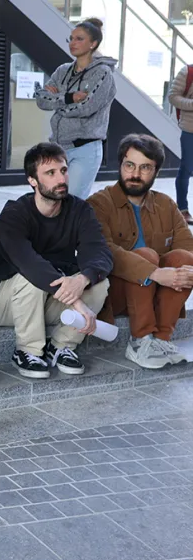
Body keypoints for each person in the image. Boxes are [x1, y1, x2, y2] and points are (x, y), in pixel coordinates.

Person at [0, 143, 113, 379]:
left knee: (99, 283)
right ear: (32, 181)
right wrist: (76, 302)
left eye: (64, 170)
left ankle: (61, 346)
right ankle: (28, 350)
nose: (61, 178)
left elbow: (100, 252)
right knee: (31, 278)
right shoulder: (14, 214)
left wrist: (83, 278)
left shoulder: (80, 210)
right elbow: (29, 264)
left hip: (48, 300)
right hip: (2, 301)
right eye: (50, 173)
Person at [87, 134, 193, 369]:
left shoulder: (166, 204)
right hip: (117, 294)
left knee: (184, 259)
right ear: (120, 165)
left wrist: (187, 271)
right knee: (145, 255)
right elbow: (106, 250)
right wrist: (153, 273)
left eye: (145, 167)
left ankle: (161, 340)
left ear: (156, 171)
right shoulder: (99, 203)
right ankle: (139, 341)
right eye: (129, 165)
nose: (135, 174)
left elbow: (188, 245)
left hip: (159, 293)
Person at [34, 18, 116, 200]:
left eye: (79, 38)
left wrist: (56, 102)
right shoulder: (63, 70)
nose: (73, 43)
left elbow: (87, 107)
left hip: (84, 148)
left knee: (72, 202)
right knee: (50, 199)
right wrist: (68, 97)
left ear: (93, 44)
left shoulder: (103, 73)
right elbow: (41, 100)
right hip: (57, 147)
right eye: (71, 38)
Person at [169, 63, 193, 224]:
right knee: (187, 168)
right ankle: (182, 209)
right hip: (190, 130)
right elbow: (172, 97)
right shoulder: (188, 71)